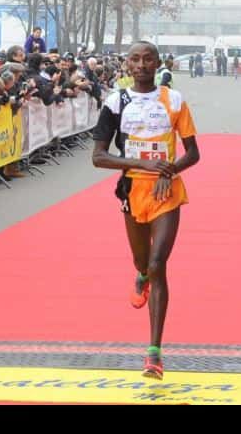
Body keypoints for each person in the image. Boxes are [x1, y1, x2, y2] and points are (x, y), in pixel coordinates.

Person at [92, 41, 200, 381]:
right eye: (135, 59)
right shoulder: (116, 101)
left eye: (148, 59)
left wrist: (169, 170)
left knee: (158, 264)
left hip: (166, 192)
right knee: (143, 264)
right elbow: (98, 157)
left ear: (157, 63)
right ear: (127, 64)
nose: (141, 65)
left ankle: (154, 353)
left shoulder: (174, 100)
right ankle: (140, 275)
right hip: (132, 190)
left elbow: (193, 153)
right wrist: (141, 164)